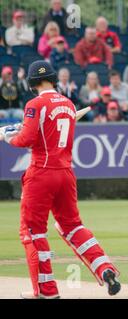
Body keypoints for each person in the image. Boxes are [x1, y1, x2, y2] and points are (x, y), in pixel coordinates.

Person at [0, 61, 120, 298]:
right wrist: (19, 130)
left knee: (33, 232)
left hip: (41, 173)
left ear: (32, 83)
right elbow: (44, 135)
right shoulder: (67, 103)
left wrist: (7, 137)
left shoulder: (35, 104)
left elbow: (26, 139)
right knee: (72, 226)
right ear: (54, 79)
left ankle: (46, 290)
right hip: (65, 173)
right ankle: (105, 268)